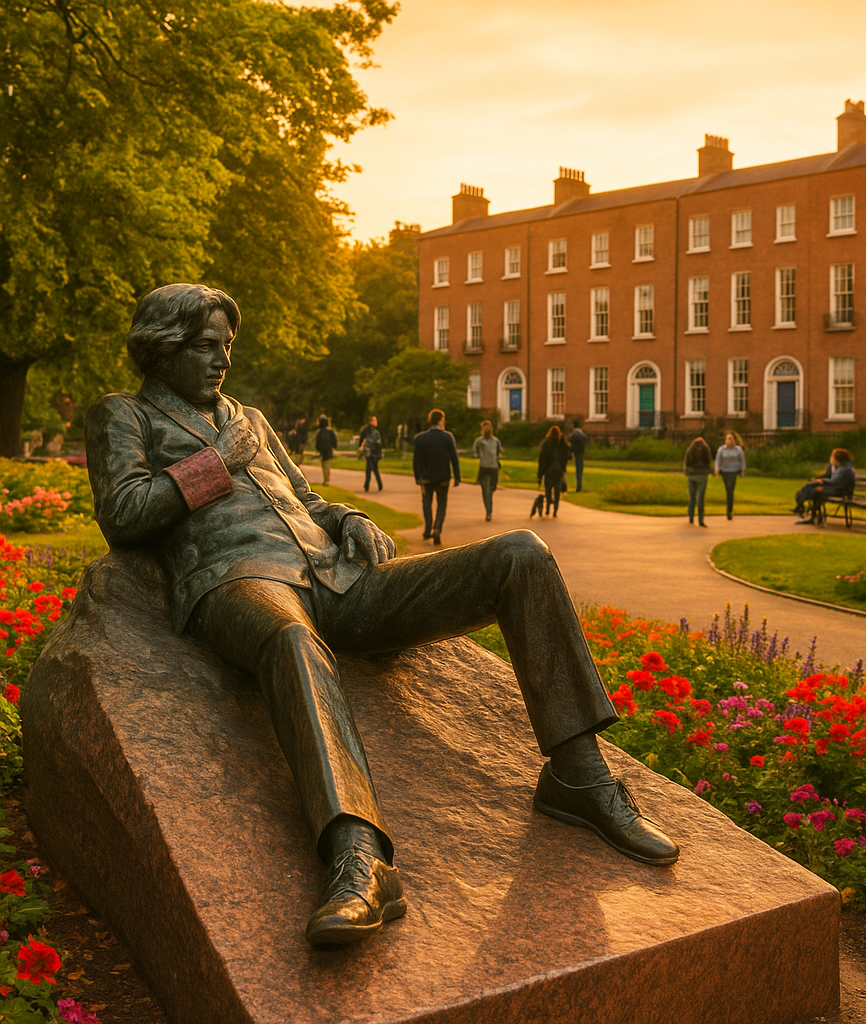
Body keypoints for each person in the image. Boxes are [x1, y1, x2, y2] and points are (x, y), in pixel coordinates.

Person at [86, 284, 678, 950]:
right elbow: (126, 514)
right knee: (290, 640)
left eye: (226, 345)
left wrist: (352, 518)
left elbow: (308, 499)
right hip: (237, 581)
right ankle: (359, 858)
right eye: (204, 345)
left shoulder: (249, 416)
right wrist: (215, 463)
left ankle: (579, 775)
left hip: (336, 579)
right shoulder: (124, 415)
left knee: (521, 555)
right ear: (161, 347)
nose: (221, 359)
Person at [412, 409, 460, 545]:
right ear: (441, 420)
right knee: (441, 504)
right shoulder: (447, 437)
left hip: (426, 478)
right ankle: (437, 528)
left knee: (426, 503)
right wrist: (457, 476)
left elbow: (417, 460)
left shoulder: (420, 438)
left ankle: (428, 529)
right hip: (443, 477)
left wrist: (417, 476)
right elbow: (454, 458)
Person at [793, 448, 855, 523]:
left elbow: (834, 482)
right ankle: (802, 506)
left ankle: (802, 506)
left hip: (840, 492)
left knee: (814, 490)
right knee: (813, 487)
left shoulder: (844, 469)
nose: (830, 458)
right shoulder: (842, 467)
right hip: (837, 489)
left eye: (832, 456)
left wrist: (821, 482)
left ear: (837, 458)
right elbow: (834, 481)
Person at [472, 420, 503, 522]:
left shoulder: (496, 441)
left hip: (493, 467)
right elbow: (475, 452)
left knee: (492, 489)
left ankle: (489, 509)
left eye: (488, 427)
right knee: (485, 491)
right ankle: (488, 511)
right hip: (484, 467)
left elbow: (499, 452)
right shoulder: (479, 441)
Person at [537, 425, 570, 517]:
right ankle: (555, 509)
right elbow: (566, 457)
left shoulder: (546, 444)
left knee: (548, 490)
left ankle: (547, 508)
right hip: (558, 471)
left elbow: (542, 460)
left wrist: (540, 475)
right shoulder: (562, 444)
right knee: (557, 491)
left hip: (548, 471)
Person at [714, 432, 745, 521]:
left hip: (733, 471)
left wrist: (742, 470)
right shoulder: (722, 450)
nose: (729, 441)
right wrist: (717, 469)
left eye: (731, 439)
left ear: (734, 440)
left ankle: (729, 511)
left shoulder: (738, 450)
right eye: (727, 439)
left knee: (730, 489)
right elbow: (718, 460)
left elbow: (742, 460)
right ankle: (729, 508)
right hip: (725, 471)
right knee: (727, 489)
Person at [683, 436, 712, 527]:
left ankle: (691, 518)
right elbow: (708, 462)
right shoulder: (706, 450)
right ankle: (701, 519)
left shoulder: (690, 450)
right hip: (702, 475)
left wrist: (687, 471)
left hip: (692, 475)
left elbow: (686, 462)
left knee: (692, 498)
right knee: (701, 498)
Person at [358, 415, 384, 493]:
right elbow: (362, 440)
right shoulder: (367, 431)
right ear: (370, 421)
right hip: (370, 453)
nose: (376, 422)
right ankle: (372, 485)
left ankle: (373, 485)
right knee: (371, 469)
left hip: (374, 453)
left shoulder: (375, 432)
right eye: (374, 420)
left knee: (373, 469)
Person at [314, 416, 338, 486]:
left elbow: (317, 444)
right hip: (329, 450)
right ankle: (326, 479)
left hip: (323, 451)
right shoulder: (330, 432)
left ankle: (326, 479)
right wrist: (334, 447)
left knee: (324, 465)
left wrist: (318, 449)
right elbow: (334, 442)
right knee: (327, 465)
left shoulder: (319, 433)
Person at [568, 421, 589, 492]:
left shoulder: (572, 435)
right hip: (580, 454)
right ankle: (579, 485)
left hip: (575, 453)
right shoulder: (582, 435)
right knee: (579, 470)